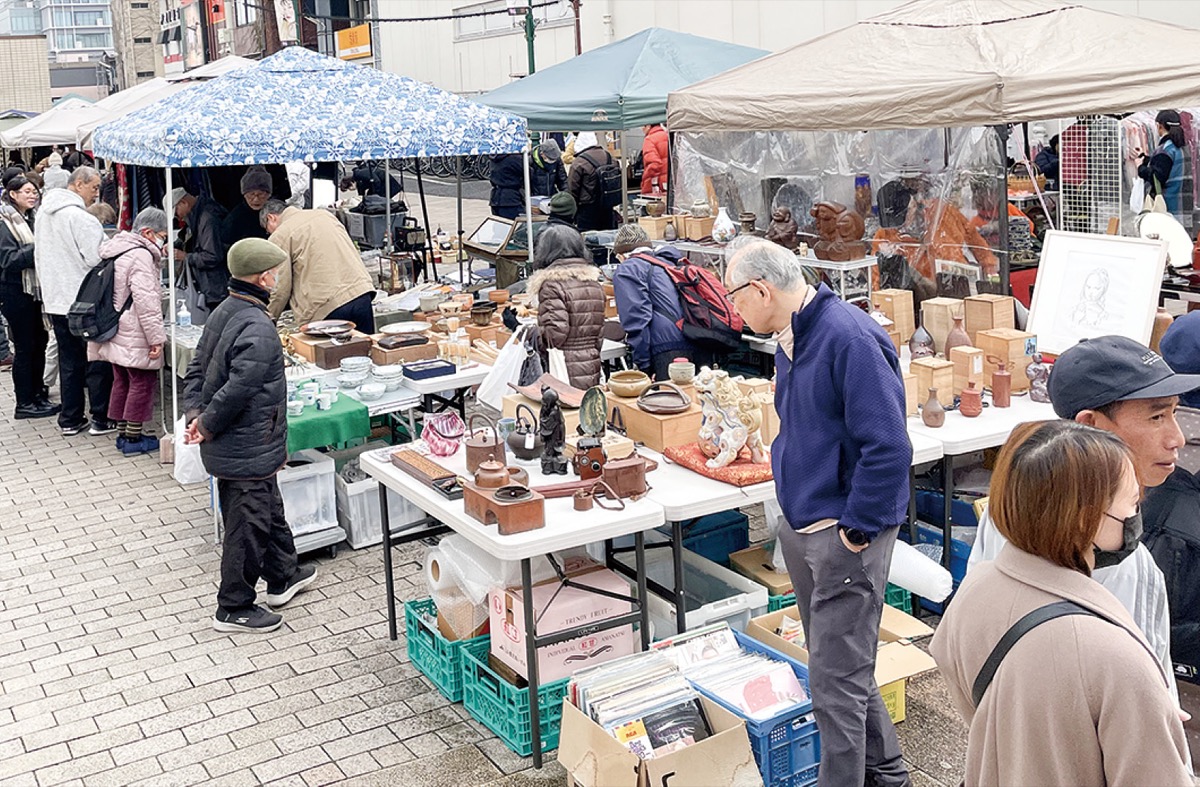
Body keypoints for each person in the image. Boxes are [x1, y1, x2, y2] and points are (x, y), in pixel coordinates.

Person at [724, 240, 910, 787]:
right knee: (842, 668)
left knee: (835, 684)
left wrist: (856, 530)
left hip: (840, 531)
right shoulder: (792, 337)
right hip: (806, 523)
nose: (733, 309)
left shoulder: (846, 336)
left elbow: (890, 447)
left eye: (735, 296)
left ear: (761, 289)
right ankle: (890, 775)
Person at [932, 420, 1191, 786]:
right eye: (1132, 504)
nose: (1136, 519)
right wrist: (1146, 711)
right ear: (1087, 519)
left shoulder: (976, 588)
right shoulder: (1114, 658)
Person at [968, 336, 1200, 703]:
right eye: (1156, 416)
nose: (1176, 438)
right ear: (1091, 424)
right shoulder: (1106, 545)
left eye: (1174, 412)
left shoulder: (1013, 503)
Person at [183, 238, 318, 633]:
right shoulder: (256, 324)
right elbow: (238, 389)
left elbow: (196, 371)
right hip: (247, 442)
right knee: (247, 523)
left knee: (268, 506)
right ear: (264, 276)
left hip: (245, 442)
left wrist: (196, 414)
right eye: (275, 273)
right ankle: (234, 605)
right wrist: (205, 423)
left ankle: (283, 574)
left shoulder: (225, 309)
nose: (278, 279)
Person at [35, 166, 113, 437]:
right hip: (84, 299)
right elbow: (96, 257)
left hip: (56, 298)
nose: (96, 194)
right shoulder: (80, 218)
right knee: (96, 358)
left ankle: (70, 418)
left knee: (69, 362)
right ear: (78, 184)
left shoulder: (42, 215)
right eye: (94, 188)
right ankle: (101, 417)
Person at [87, 208, 168, 455]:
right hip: (133, 329)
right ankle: (133, 439)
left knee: (122, 380)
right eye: (162, 235)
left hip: (113, 327)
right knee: (142, 382)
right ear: (148, 232)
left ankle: (123, 434)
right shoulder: (141, 256)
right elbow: (147, 302)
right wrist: (156, 339)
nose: (164, 241)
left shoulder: (118, 248)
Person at [259, 199, 376, 332]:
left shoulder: (280, 235)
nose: (270, 234)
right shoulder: (324, 215)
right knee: (365, 349)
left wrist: (268, 320)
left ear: (271, 218)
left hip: (325, 306)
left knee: (332, 351)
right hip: (360, 293)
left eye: (268, 230)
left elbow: (280, 288)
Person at [611, 223, 706, 381]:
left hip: (666, 350)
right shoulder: (668, 263)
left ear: (621, 255)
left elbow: (637, 320)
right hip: (698, 340)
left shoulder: (628, 269)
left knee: (667, 402)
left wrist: (643, 365)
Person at [0, 173, 56, 419]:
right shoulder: (5, 222)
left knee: (40, 343)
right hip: (15, 292)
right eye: (27, 191)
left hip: (35, 293)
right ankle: (24, 402)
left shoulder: (31, 218)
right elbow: (8, 260)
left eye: (34, 191)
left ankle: (38, 395)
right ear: (13, 194)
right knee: (25, 347)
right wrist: (39, 246)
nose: (33, 195)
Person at [528, 224, 605, 390]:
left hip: (563, 364)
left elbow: (554, 335)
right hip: (592, 360)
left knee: (565, 412)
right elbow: (599, 332)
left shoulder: (551, 285)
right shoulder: (593, 282)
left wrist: (529, 333)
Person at [168, 186, 230, 312]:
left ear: (183, 203)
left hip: (216, 287)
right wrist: (175, 245)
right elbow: (189, 238)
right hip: (209, 286)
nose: (178, 218)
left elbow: (212, 256)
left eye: (176, 213)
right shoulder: (196, 216)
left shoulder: (208, 218)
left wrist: (186, 256)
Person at [1139, 109, 1188, 218]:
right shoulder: (1182, 147)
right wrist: (1150, 160)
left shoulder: (1165, 149)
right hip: (1182, 202)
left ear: (1160, 126)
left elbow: (1157, 177)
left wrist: (1141, 168)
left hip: (1167, 204)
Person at [567, 132, 615, 231]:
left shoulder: (579, 162)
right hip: (608, 207)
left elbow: (572, 189)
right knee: (608, 239)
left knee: (589, 241)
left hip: (587, 210)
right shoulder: (609, 157)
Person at [220, 167, 272, 248]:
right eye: (251, 194)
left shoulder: (275, 212)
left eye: (261, 194)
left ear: (269, 195)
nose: (256, 199)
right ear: (244, 195)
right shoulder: (234, 219)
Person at [488, 153, 524, 220]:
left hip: (495, 198)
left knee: (500, 226)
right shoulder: (514, 158)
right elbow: (528, 173)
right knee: (515, 227)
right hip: (511, 199)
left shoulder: (493, 157)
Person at [640, 123, 669, 195]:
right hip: (670, 184)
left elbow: (654, 164)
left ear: (649, 126)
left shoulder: (649, 139)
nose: (642, 129)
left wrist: (654, 185)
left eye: (643, 126)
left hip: (656, 187)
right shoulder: (667, 136)